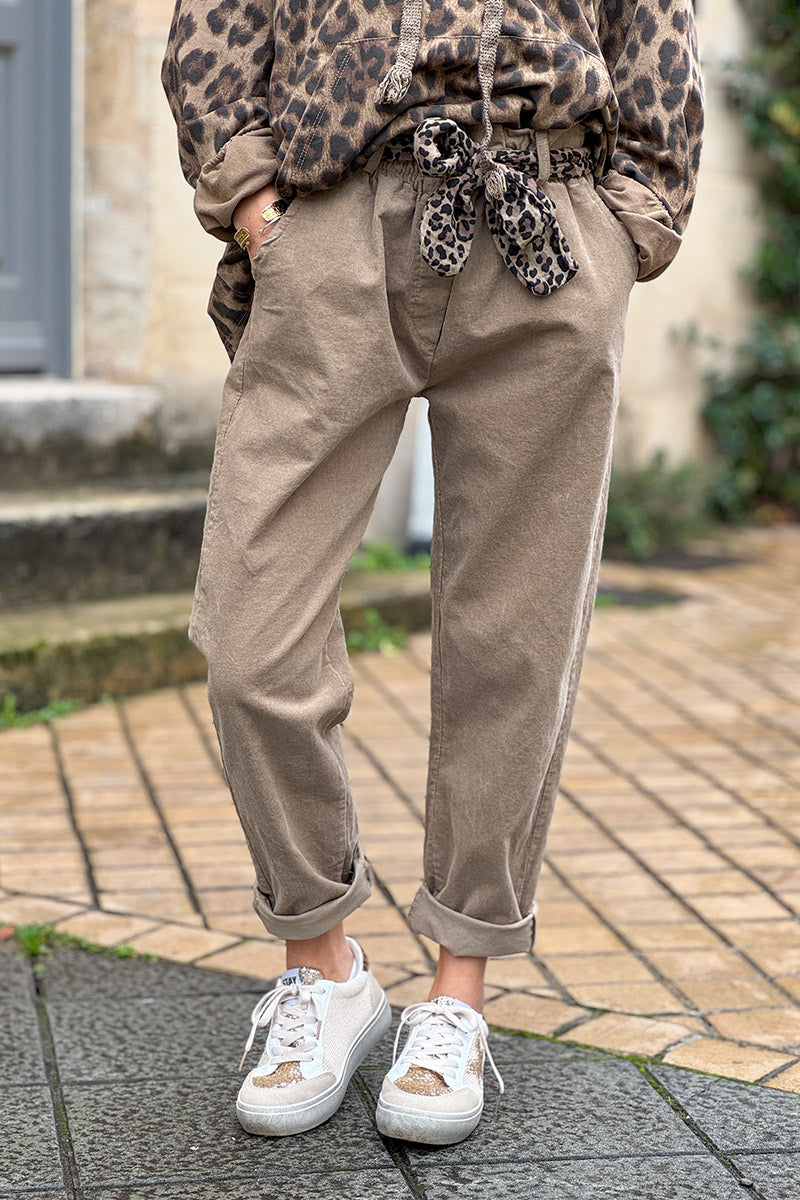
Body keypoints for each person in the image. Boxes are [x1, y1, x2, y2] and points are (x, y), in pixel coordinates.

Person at [162, 0, 703, 1145]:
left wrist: (627, 228)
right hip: (334, 224)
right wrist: (257, 206)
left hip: (546, 234)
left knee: (512, 637)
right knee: (252, 640)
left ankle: (458, 995)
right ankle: (326, 964)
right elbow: (214, 23)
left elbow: (655, 37)